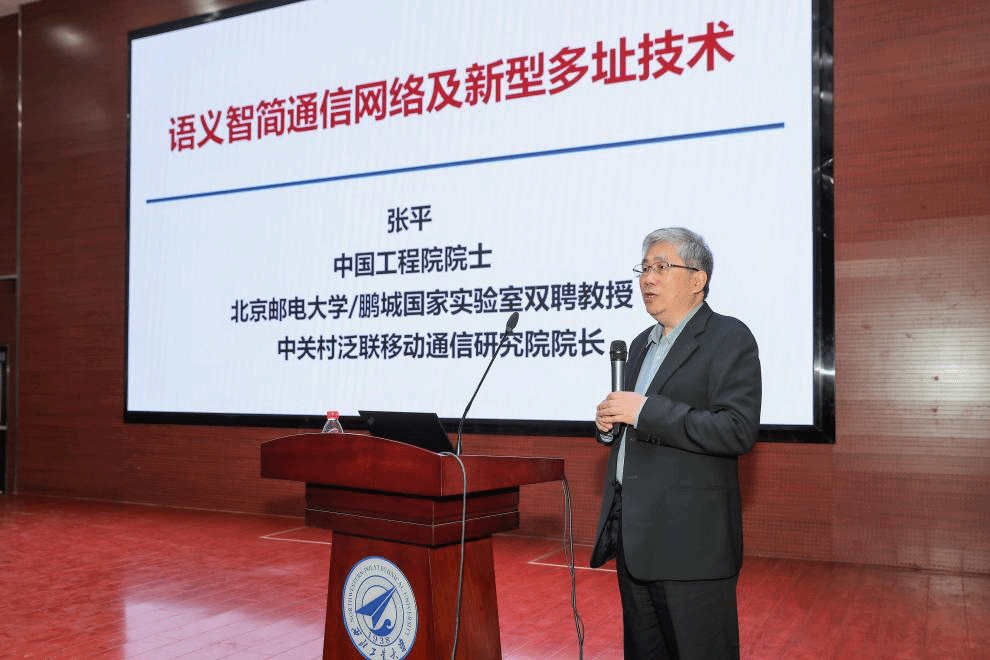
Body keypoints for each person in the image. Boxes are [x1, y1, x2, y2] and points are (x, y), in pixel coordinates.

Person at [591, 227, 762, 660]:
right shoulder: (640, 345)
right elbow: (636, 425)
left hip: (692, 549)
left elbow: (737, 428)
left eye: (661, 267)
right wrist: (610, 425)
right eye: (644, 268)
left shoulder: (728, 338)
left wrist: (645, 412)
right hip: (636, 541)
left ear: (697, 279)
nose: (647, 279)